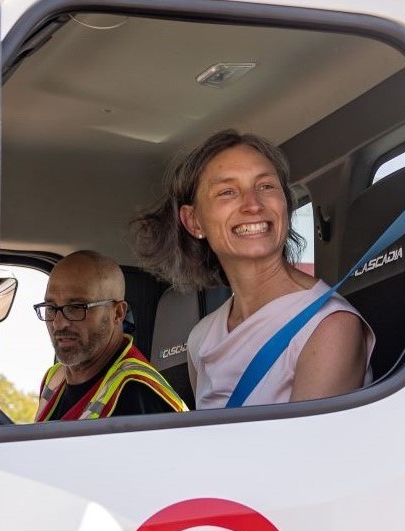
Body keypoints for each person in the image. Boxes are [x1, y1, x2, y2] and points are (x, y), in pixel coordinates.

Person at [132, 130, 374, 409]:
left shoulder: (328, 325)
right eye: (227, 192)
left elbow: (307, 452)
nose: (253, 205)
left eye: (266, 186)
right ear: (194, 221)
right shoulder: (202, 337)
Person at [32, 250, 187, 421]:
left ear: (118, 313)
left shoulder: (137, 393)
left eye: (77, 307)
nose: (59, 323)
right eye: (51, 308)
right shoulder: (55, 377)